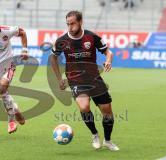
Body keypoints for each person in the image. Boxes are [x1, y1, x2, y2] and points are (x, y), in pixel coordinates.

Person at [50, 10, 119, 151]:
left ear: (80, 22)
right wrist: (59, 79)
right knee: (84, 107)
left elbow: (108, 52)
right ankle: (94, 134)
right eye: (68, 24)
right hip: (75, 79)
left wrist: (108, 60)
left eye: (73, 24)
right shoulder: (61, 41)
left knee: (107, 112)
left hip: (94, 78)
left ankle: (107, 140)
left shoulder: (91, 37)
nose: (70, 27)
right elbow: (53, 58)